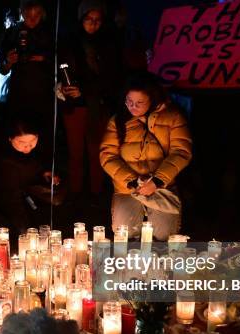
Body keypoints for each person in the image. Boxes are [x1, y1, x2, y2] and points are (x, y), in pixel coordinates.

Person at [100, 75, 192, 240]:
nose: (132, 107)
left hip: (162, 186)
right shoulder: (118, 121)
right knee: (124, 233)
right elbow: (107, 155)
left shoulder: (173, 117)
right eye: (129, 101)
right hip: (127, 188)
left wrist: (157, 181)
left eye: (139, 103)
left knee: (164, 235)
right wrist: (132, 181)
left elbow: (181, 151)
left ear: (152, 99)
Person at [58, 0, 121, 200]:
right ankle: (76, 193)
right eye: (88, 19)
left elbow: (112, 78)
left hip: (98, 106)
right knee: (75, 152)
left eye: (97, 20)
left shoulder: (109, 45)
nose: (93, 24)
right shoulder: (70, 42)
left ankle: (96, 193)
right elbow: (63, 67)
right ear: (80, 19)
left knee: (96, 151)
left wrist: (84, 91)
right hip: (74, 107)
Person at [0, 0, 54, 159]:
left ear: (42, 14)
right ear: (21, 13)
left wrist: (44, 58)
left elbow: (59, 61)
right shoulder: (12, 33)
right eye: (28, 14)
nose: (32, 19)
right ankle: (17, 165)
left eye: (37, 15)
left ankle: (42, 169)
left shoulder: (49, 33)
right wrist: (9, 61)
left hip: (42, 91)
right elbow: (2, 68)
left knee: (40, 133)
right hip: (19, 91)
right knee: (19, 131)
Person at [0, 115, 60, 235]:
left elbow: (34, 166)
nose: (28, 146)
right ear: (10, 138)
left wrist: (44, 172)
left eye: (32, 141)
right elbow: (11, 200)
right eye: (21, 142)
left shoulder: (37, 151)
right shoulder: (4, 162)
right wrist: (25, 230)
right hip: (8, 212)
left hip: (30, 205)